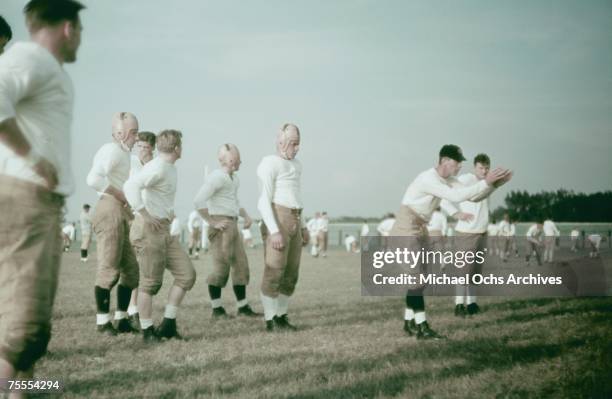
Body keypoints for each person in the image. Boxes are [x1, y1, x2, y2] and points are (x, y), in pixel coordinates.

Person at [0, 0, 84, 385]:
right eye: (80, 30)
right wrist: (33, 157)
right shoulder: (30, 58)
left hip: (42, 204)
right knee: (21, 329)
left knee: (31, 329)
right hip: (26, 199)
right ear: (68, 27)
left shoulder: (48, 68)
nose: (80, 38)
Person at [391, 144, 510, 339]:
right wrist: (486, 181)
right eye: (457, 163)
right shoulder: (428, 178)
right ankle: (422, 328)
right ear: (445, 161)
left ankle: (408, 321)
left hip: (419, 227)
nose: (459, 167)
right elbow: (455, 196)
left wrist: (493, 184)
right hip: (406, 227)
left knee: (418, 281)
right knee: (417, 280)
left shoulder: (448, 179)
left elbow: (473, 196)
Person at [124, 129, 196, 342]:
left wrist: (167, 211)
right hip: (149, 230)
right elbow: (130, 186)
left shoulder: (169, 167)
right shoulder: (158, 167)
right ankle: (147, 332)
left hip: (164, 229)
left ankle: (168, 325)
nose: (182, 148)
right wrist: (144, 213)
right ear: (176, 148)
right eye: (181, 145)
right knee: (150, 283)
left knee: (187, 274)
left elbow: (157, 193)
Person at [86, 112, 140, 335]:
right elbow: (93, 180)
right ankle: (102, 322)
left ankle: (122, 318)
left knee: (131, 269)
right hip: (109, 208)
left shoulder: (121, 153)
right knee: (109, 268)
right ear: (121, 133)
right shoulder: (112, 150)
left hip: (119, 210)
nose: (136, 138)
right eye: (134, 132)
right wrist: (120, 194)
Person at [194, 143, 259, 318]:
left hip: (232, 224)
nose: (238, 161)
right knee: (220, 269)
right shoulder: (216, 177)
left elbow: (234, 202)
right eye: (234, 158)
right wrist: (212, 222)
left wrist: (246, 216)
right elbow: (198, 200)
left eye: (238, 158)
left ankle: (243, 307)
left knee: (241, 267)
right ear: (223, 160)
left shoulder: (233, 178)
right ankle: (217, 309)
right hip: (221, 226)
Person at [441, 153, 507, 317]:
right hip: (466, 233)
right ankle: (458, 306)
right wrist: (456, 213)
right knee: (463, 272)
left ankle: (471, 304)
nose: (484, 171)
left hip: (482, 232)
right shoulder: (466, 179)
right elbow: (443, 198)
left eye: (487, 168)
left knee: (475, 273)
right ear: (474, 167)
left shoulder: (488, 182)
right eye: (481, 167)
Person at [257, 123, 309, 332]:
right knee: (274, 271)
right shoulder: (269, 163)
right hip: (277, 217)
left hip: (295, 217)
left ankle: (281, 316)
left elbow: (296, 196)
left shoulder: (297, 165)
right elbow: (263, 201)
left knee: (291, 273)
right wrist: (274, 230)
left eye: (298, 144)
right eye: (293, 143)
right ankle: (270, 320)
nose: (296, 148)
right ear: (281, 142)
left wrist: (303, 226)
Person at [126, 131, 156, 329]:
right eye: (139, 146)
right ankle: (128, 310)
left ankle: (132, 309)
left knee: (141, 267)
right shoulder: (131, 163)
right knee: (131, 267)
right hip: (133, 217)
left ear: (152, 148)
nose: (142, 150)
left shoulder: (154, 165)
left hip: (148, 219)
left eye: (146, 147)